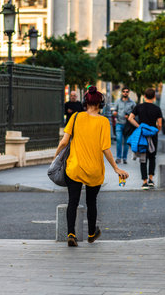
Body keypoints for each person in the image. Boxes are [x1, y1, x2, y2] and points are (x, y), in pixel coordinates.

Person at [54, 86, 129, 247]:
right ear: (100, 104)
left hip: (74, 167)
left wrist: (56, 157)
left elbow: (64, 141)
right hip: (94, 169)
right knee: (92, 202)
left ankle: (71, 234)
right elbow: (106, 149)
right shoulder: (103, 122)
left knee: (72, 201)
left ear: (84, 102)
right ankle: (91, 233)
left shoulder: (75, 117)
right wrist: (116, 168)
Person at [128, 88, 162, 189]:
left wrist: (139, 127)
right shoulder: (157, 109)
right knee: (152, 157)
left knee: (143, 158)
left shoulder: (139, 107)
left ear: (144, 96)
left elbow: (130, 118)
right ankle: (151, 179)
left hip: (142, 135)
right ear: (154, 97)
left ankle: (144, 181)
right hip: (152, 136)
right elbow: (159, 124)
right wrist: (156, 131)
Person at [113, 87, 136, 164]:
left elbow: (135, 114)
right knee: (119, 140)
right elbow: (115, 111)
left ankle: (125, 158)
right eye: (124, 91)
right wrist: (115, 113)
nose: (125, 93)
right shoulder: (118, 101)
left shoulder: (132, 103)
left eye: (127, 91)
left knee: (126, 142)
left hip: (128, 125)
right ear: (122, 92)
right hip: (119, 123)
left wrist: (129, 116)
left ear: (128, 93)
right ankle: (118, 158)